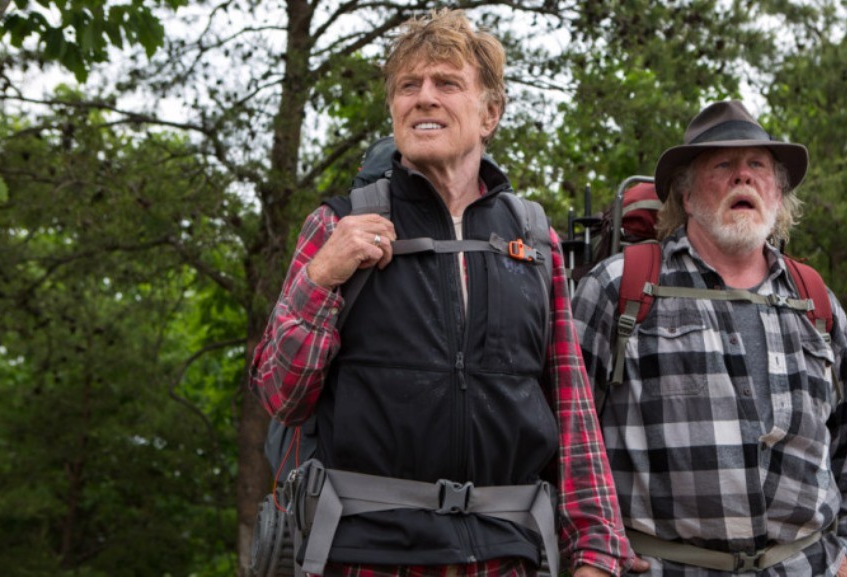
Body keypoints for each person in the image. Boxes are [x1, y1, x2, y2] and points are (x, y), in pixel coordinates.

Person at [248, 9, 634, 577]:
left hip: (505, 557)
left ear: (490, 113)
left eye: (447, 83)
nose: (424, 97)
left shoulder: (534, 239)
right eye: (409, 86)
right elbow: (281, 397)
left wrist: (596, 552)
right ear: (393, 109)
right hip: (364, 556)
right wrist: (320, 277)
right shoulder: (337, 226)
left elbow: (572, 410)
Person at [572, 100, 847, 576]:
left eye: (758, 166)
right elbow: (566, 441)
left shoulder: (814, 300)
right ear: (686, 196)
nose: (743, 176)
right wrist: (594, 557)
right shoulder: (619, 287)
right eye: (723, 165)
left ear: (778, 194)